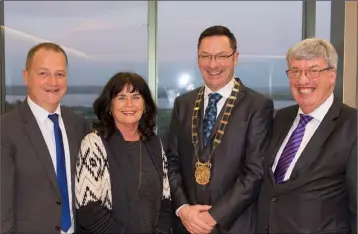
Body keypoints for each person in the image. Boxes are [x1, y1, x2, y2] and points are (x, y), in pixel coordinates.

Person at [166, 25, 274, 234]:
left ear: (235, 58)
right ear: (197, 60)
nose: (213, 64)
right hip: (187, 225)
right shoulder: (183, 104)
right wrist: (183, 209)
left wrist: (214, 217)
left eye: (221, 56)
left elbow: (255, 172)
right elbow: (172, 161)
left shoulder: (257, 106)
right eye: (205, 56)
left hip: (235, 226)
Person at [257, 38, 357, 234]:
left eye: (313, 71)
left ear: (332, 75)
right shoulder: (281, 118)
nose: (302, 80)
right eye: (295, 71)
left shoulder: (352, 125)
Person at [1, 42, 88, 233]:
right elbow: (2, 208)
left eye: (60, 74)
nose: (53, 82)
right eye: (43, 74)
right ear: (26, 76)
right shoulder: (5, 129)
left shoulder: (78, 125)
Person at [75, 72, 172, 234]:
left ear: (145, 105)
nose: (129, 104)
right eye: (121, 97)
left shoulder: (155, 144)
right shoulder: (94, 143)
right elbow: (88, 209)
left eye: (136, 97)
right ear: (109, 106)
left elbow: (166, 200)